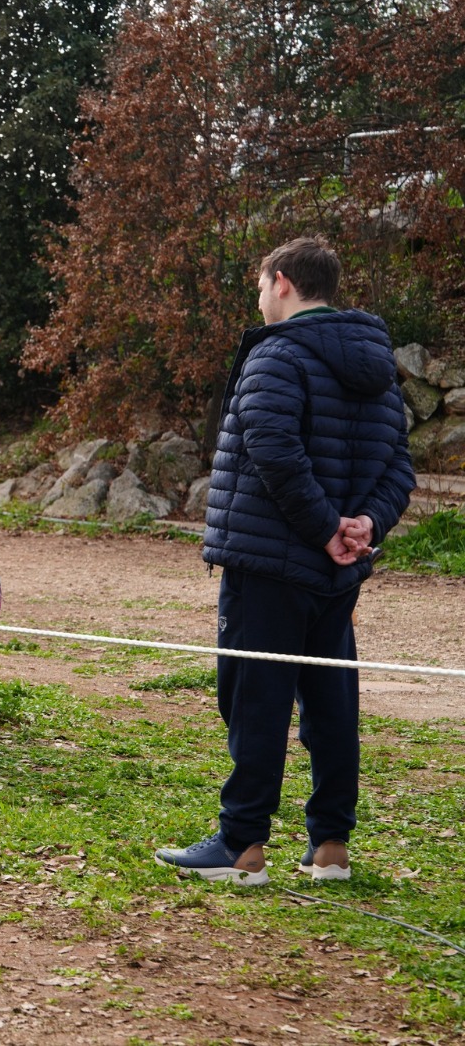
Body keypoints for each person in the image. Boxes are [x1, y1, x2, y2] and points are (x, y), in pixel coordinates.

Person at [156, 236, 414, 886]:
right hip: (337, 570)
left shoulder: (277, 354)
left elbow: (272, 450)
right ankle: (331, 845)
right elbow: (398, 467)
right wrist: (365, 524)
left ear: (282, 282)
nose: (260, 299)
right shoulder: (376, 367)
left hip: (270, 562)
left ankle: (241, 845)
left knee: (255, 699)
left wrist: (328, 530)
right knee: (331, 700)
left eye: (260, 287)